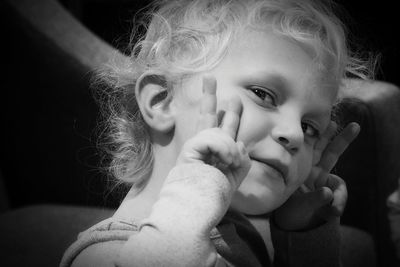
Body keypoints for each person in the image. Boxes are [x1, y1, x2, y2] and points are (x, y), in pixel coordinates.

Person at [60, 0, 374, 266]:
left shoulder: (235, 231)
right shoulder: (102, 254)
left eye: (310, 128)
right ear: (162, 101)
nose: (293, 134)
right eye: (263, 94)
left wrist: (303, 236)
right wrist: (194, 193)